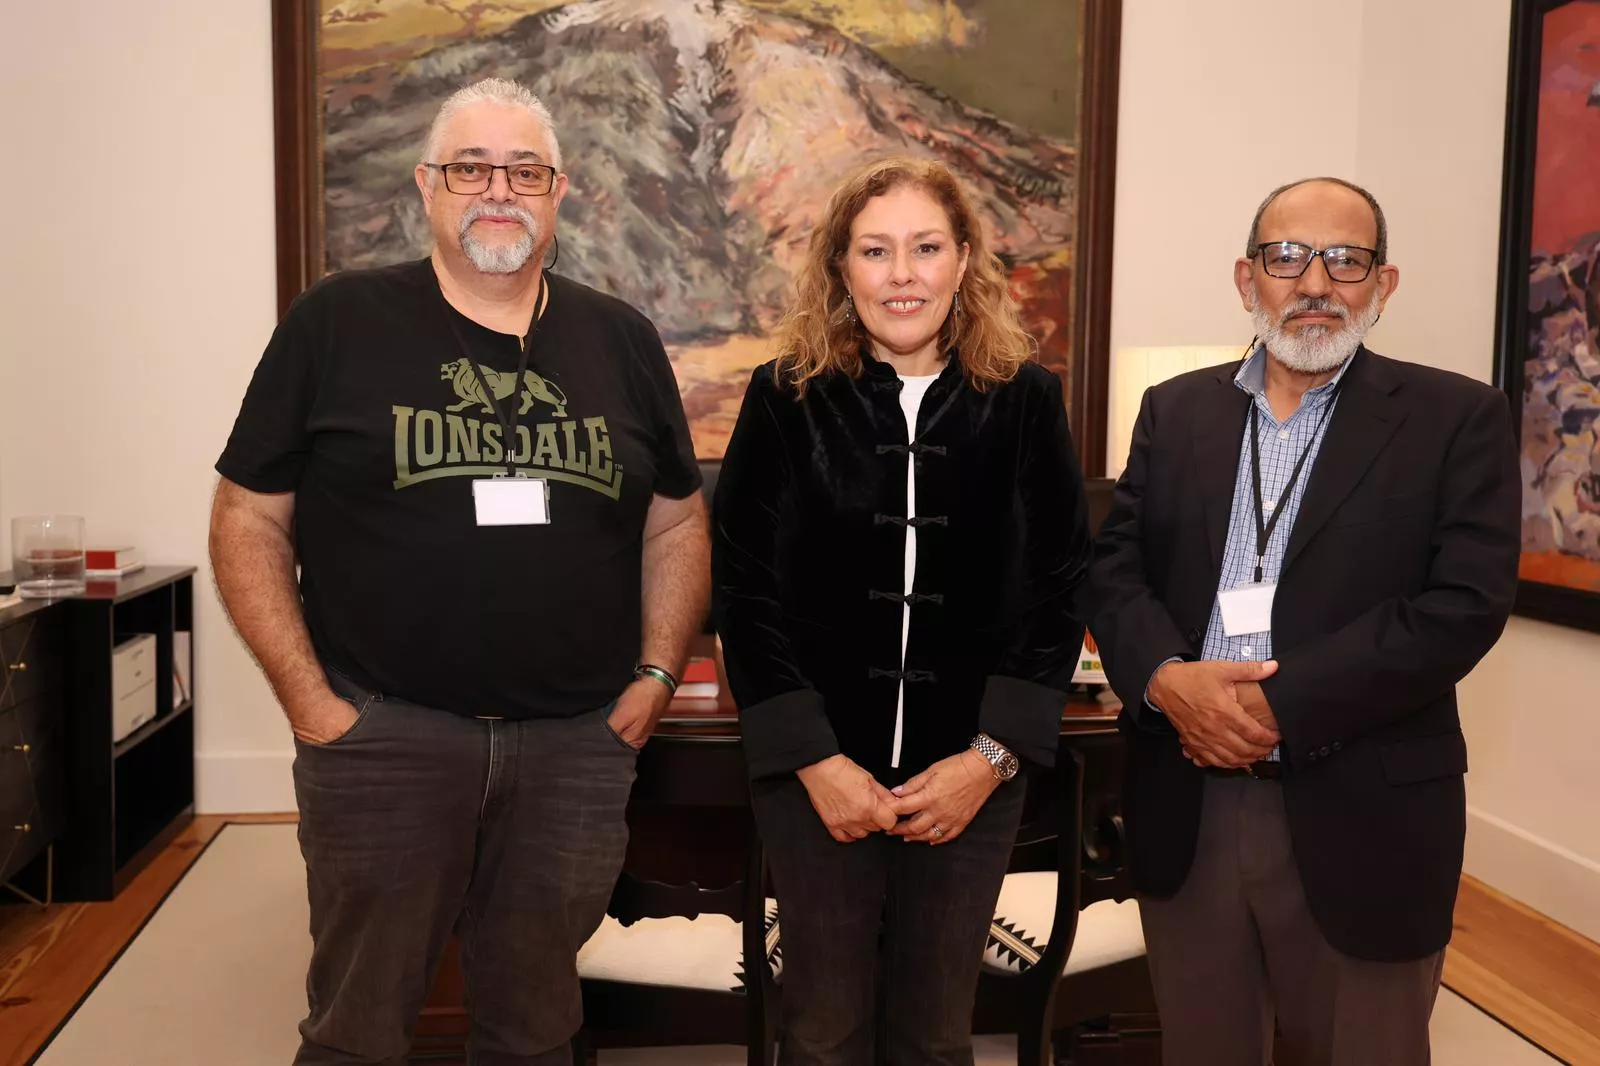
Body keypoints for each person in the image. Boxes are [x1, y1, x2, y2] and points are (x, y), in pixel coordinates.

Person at [210, 77, 709, 1066]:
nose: (498, 189)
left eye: (524, 170)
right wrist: (312, 703)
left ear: (559, 189)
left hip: (573, 746)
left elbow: (678, 521)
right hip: (384, 738)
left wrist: (654, 676)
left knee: (536, 1025)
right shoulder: (336, 322)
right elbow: (247, 517)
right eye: (470, 167)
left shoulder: (621, 338)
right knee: (356, 1024)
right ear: (426, 185)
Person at [1082, 176, 1521, 1065]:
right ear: (1248, 280)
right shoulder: (1176, 408)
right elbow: (1114, 569)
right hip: (1189, 799)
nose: (1314, 281)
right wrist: (1170, 681)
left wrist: (1279, 707)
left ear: (1383, 285)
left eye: (1345, 259)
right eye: (1287, 256)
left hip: (1366, 810)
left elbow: (1461, 607)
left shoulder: (1456, 417)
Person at [712, 156, 1091, 1065]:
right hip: (817, 781)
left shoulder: (1026, 401)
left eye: (925, 247)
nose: (903, 273)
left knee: (934, 1033)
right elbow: (744, 588)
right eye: (875, 251)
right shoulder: (784, 397)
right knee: (823, 1029)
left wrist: (988, 760)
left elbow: (1058, 588)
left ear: (964, 261)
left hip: (970, 779)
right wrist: (814, 759)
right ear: (842, 269)